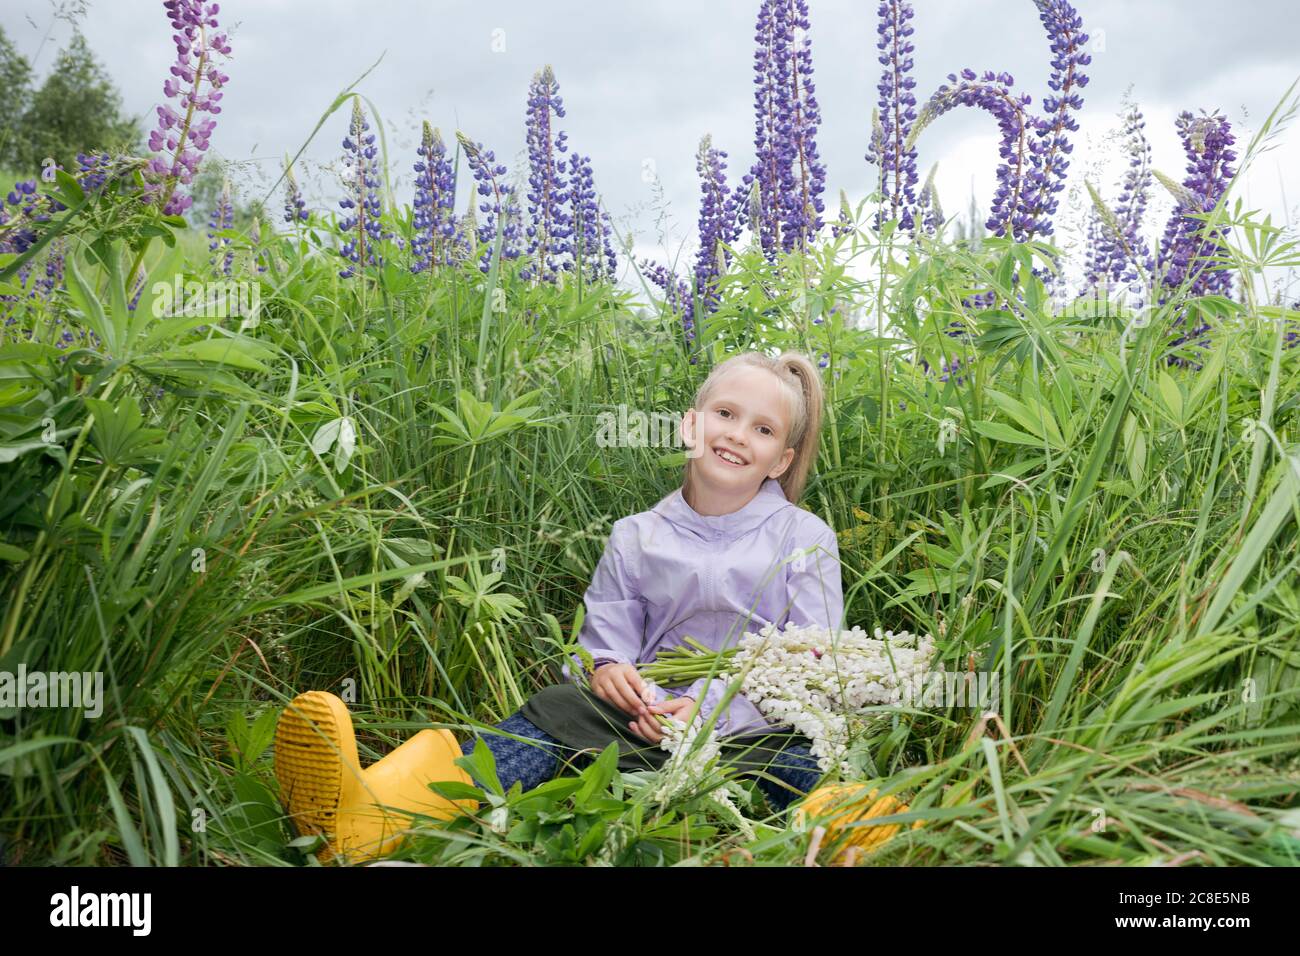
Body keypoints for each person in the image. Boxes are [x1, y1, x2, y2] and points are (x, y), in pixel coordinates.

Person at [274, 350, 845, 862]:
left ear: (780, 460)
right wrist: (609, 672)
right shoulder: (638, 534)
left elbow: (817, 660)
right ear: (689, 426)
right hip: (642, 723)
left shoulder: (802, 536)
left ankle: (855, 825)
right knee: (553, 710)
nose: (738, 434)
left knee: (808, 764)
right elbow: (603, 637)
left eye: (763, 428)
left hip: (750, 730)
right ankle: (368, 815)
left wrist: (708, 707)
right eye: (725, 413)